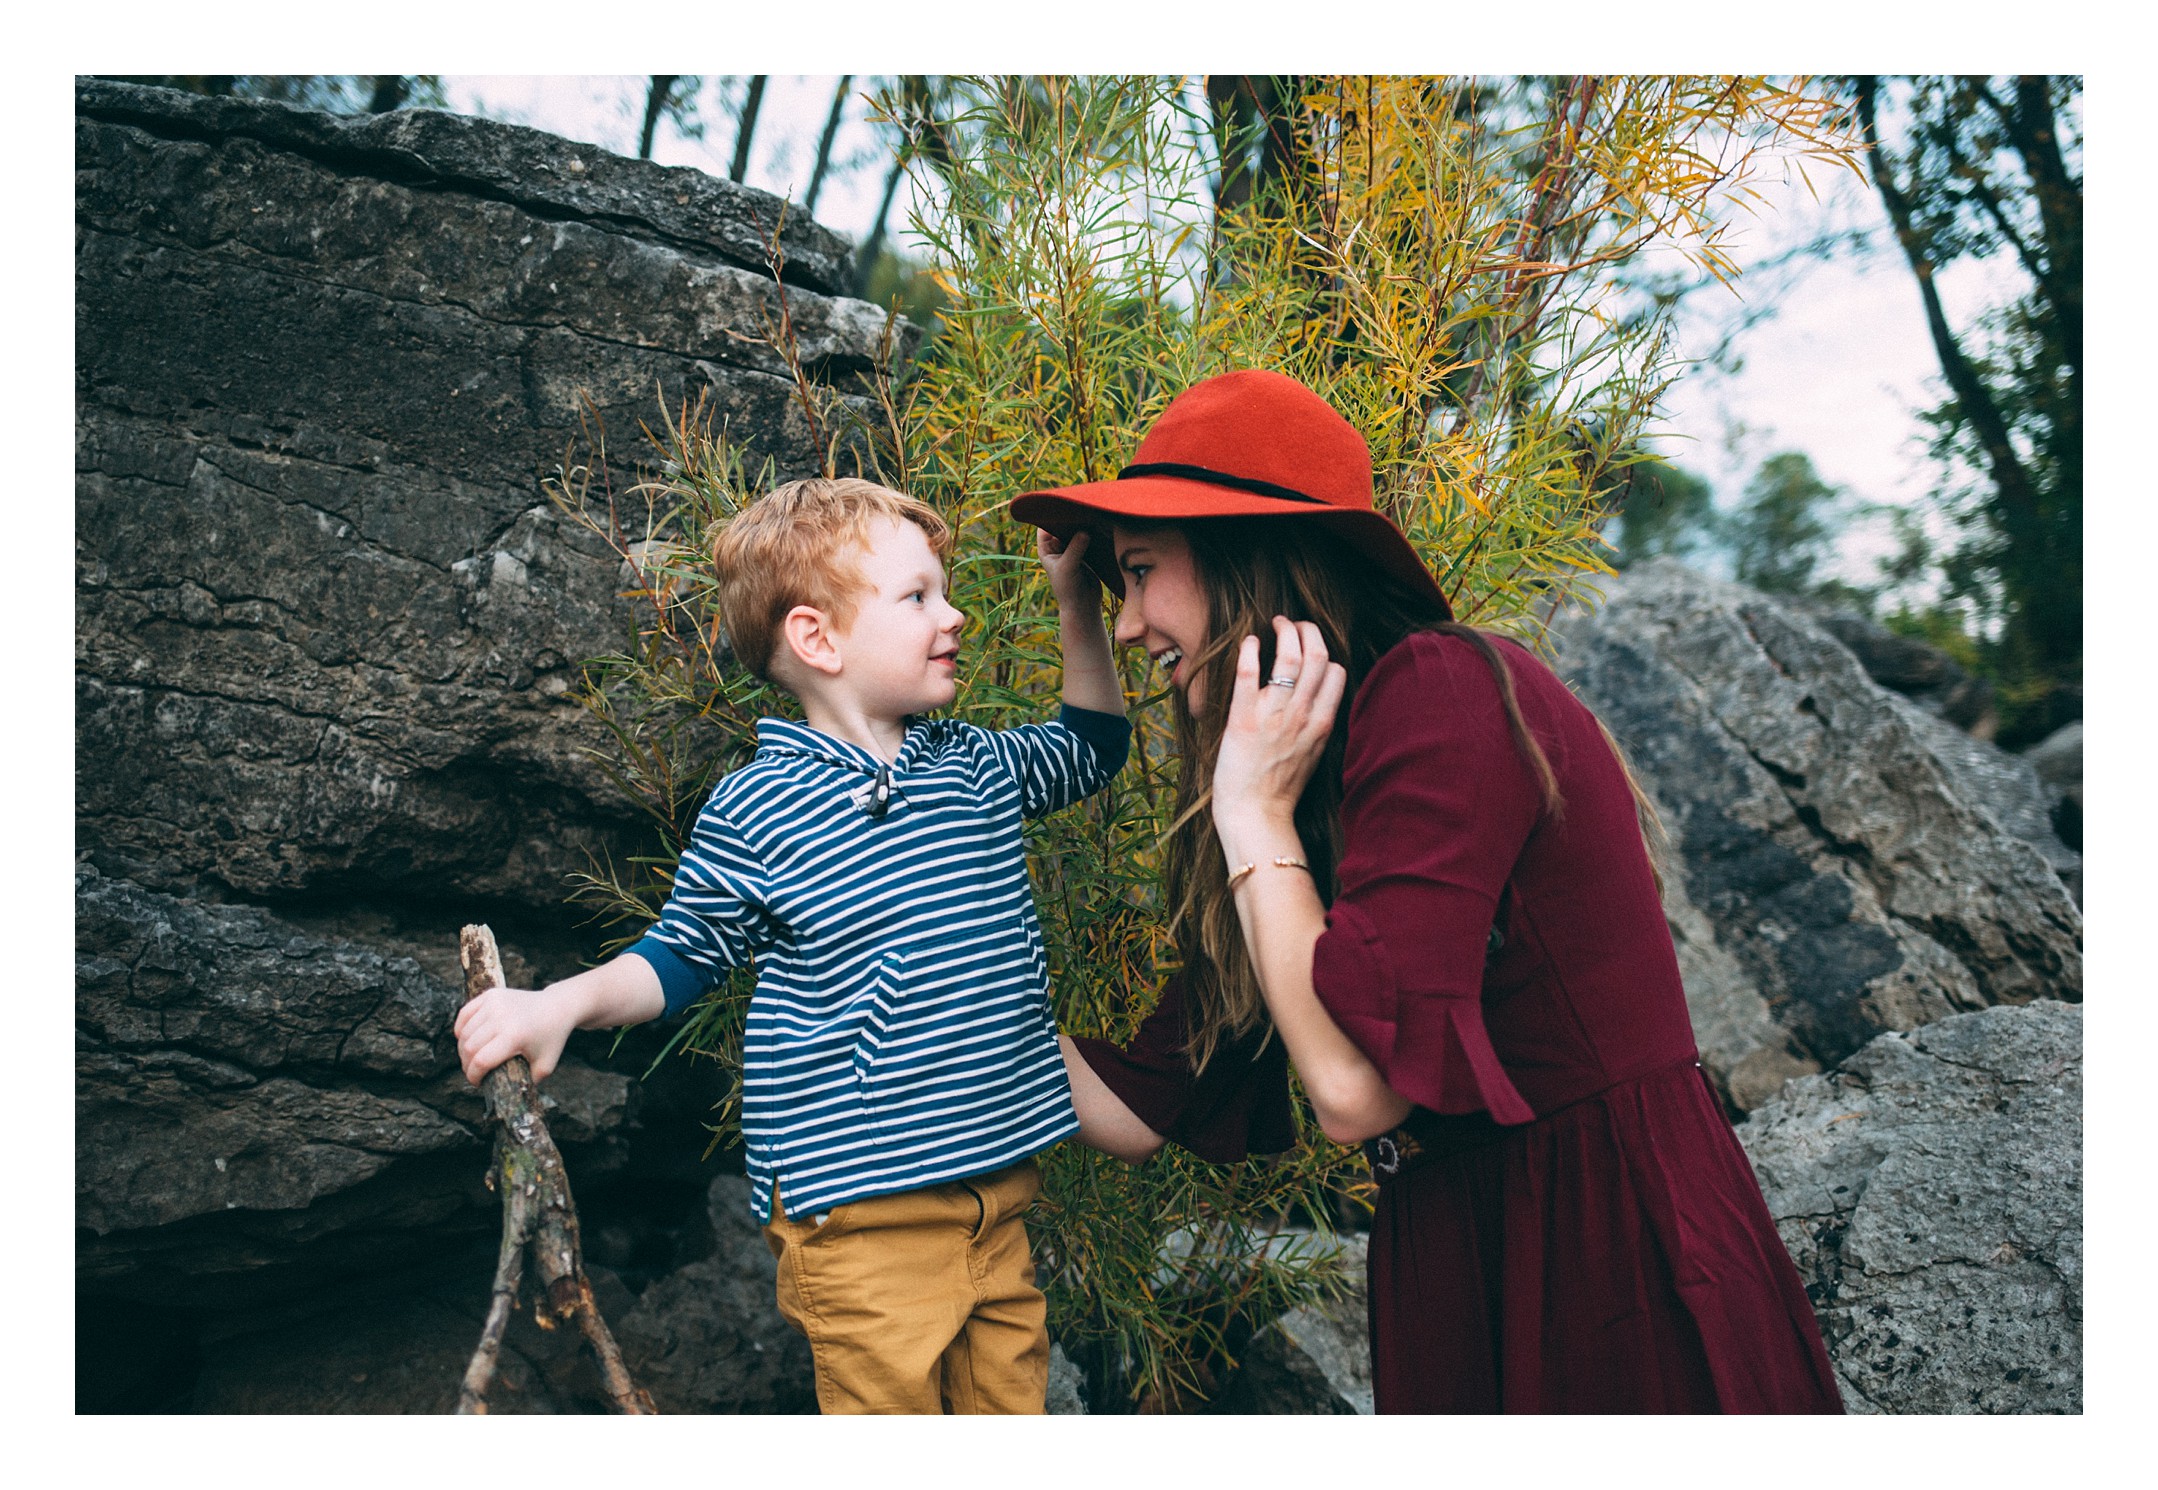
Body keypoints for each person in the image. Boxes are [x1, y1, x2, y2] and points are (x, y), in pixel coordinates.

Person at [1013, 369, 1842, 1413]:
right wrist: (880, 1003)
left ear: (1242, 556)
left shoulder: (1438, 688)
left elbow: (1357, 1090)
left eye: (1138, 572)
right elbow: (1140, 1103)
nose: (1128, 624)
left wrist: (1252, 816)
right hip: (1464, 1255)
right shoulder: (1304, 779)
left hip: (1606, 1249)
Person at [455, 476, 1130, 1414]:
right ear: (818, 638)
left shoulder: (977, 768)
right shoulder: (759, 808)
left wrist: (1075, 599)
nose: (957, 614)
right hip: (862, 1224)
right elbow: (678, 955)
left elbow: (1094, 746)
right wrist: (558, 1001)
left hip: (997, 1203)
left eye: (945, 589)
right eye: (919, 597)